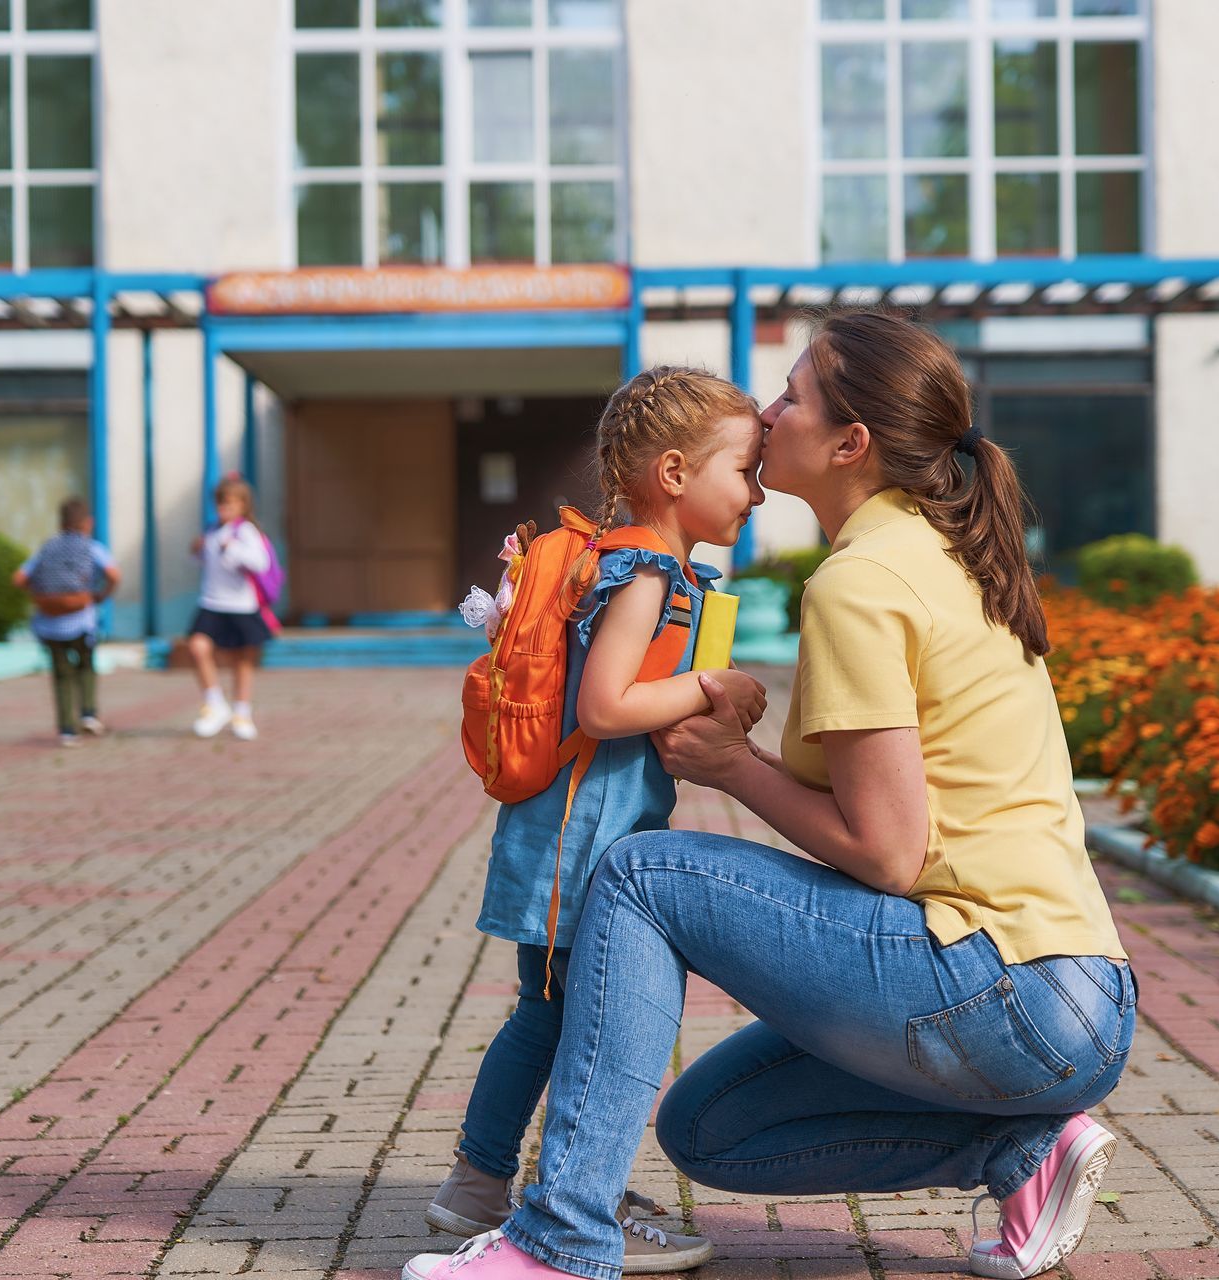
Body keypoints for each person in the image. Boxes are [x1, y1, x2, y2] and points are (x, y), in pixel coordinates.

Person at [404, 311, 1134, 1280]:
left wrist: (731, 766)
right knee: (710, 1129)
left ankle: (560, 1240)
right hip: (1071, 996)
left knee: (637, 872)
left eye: (793, 394)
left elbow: (887, 854)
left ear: (850, 443)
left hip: (1005, 985)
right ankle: (1022, 1151)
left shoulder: (865, 578)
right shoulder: (938, 554)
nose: (769, 408)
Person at [425, 368, 769, 1275]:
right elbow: (608, 706)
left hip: (571, 838)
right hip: (578, 849)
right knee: (568, 1020)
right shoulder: (645, 575)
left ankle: (485, 1180)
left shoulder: (634, 565)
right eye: (744, 469)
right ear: (672, 472)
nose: (758, 491)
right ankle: (548, 1186)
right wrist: (708, 684)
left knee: (547, 1014)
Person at [14, 496, 121, 746]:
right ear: (88, 523)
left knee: (61, 674)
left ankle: (66, 730)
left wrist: (39, 596)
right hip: (81, 619)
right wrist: (100, 596)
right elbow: (114, 574)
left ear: (61, 522)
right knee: (85, 665)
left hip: (50, 622)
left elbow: (18, 578)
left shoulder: (47, 547)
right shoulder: (91, 547)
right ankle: (88, 712)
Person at [187, 475, 273, 740]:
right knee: (197, 647)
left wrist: (233, 548)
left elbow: (261, 564)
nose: (225, 508)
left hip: (240, 605)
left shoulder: (245, 531)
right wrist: (197, 551)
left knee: (242, 660)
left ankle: (242, 712)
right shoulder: (212, 531)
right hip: (212, 601)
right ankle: (215, 703)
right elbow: (203, 566)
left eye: (231, 503)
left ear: (243, 505)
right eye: (221, 503)